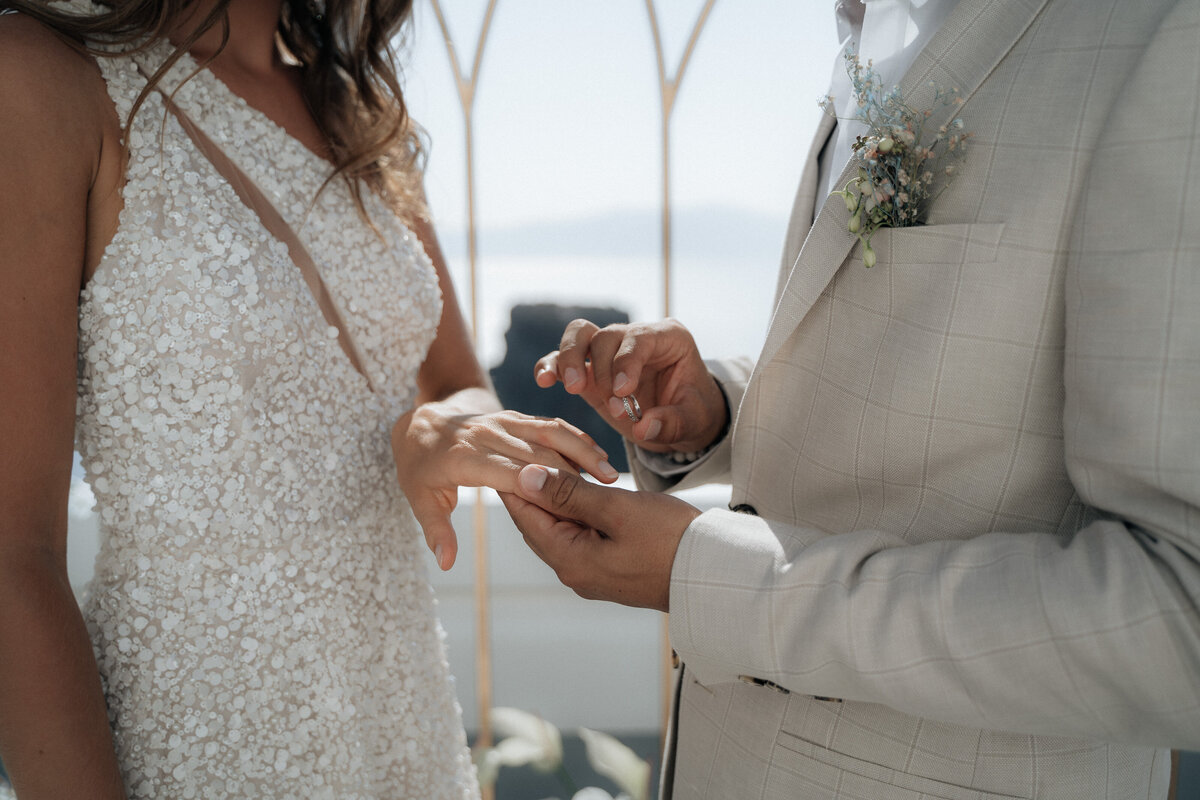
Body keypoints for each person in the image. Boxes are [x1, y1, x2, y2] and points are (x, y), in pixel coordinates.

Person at [500, 0, 1200, 797]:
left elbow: (1180, 616)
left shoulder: (1159, 32)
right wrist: (718, 407)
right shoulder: (878, 31)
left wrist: (718, 584)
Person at [0, 0, 618, 796]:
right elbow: (14, 556)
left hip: (405, 722)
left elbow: (462, 386)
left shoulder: (358, 114)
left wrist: (432, 431)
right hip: (207, 735)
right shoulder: (42, 76)